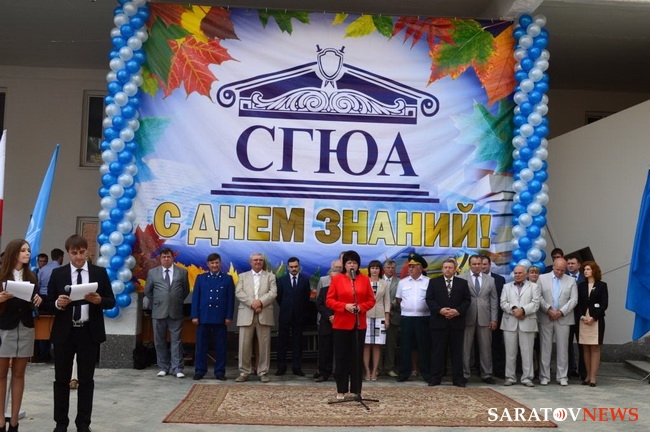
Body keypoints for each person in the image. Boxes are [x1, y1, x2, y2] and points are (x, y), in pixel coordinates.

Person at [44, 234, 115, 432]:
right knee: (61, 380)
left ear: (87, 251)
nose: (78, 257)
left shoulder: (99, 273)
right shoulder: (58, 273)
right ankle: (61, 423)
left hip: (88, 332)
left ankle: (83, 424)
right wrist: (58, 303)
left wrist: (99, 300)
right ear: (68, 253)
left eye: (81, 252)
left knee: (86, 380)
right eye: (74, 253)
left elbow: (111, 301)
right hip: (65, 333)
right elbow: (47, 304)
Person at [0, 239, 43, 432]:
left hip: (25, 327)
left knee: (19, 374)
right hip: (4, 327)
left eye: (28, 250)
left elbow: (34, 301)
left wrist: (38, 299)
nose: (27, 253)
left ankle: (14, 421)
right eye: (23, 250)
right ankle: (1, 420)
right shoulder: (1, 275)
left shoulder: (32, 277)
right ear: (13, 253)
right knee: (1, 374)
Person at [326, 250, 375, 399]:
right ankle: (341, 389)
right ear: (344, 265)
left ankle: (356, 390)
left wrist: (361, 307)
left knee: (356, 357)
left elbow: (371, 300)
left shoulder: (364, 280)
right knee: (341, 357)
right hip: (341, 324)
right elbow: (329, 300)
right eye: (349, 262)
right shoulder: (337, 279)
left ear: (358, 265)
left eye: (354, 262)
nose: (352, 265)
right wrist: (344, 306)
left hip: (358, 324)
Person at [144, 247, 190, 379]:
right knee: (159, 341)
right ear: (160, 259)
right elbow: (148, 291)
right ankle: (163, 367)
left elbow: (185, 290)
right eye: (163, 257)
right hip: (158, 311)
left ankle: (177, 368)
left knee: (176, 341)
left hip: (176, 311)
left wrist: (175, 300)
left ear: (172, 258)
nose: (166, 259)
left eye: (168, 257)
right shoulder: (153, 273)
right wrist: (158, 301)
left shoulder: (182, 272)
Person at [426, 258, 471, 387]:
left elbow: (467, 300)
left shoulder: (462, 283)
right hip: (439, 322)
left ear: (455, 269)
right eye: (445, 267)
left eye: (450, 267)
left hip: (456, 323)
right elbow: (429, 299)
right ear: (442, 269)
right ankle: (435, 378)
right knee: (437, 352)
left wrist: (457, 311)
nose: (447, 270)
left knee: (457, 352)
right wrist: (440, 310)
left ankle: (458, 379)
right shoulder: (434, 282)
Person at [190, 253, 234, 381]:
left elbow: (230, 300)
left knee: (221, 346)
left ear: (220, 263)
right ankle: (200, 370)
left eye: (216, 262)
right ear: (208, 264)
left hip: (220, 317)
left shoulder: (227, 279)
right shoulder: (201, 278)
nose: (214, 265)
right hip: (204, 316)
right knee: (201, 346)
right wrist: (194, 315)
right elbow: (196, 298)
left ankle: (220, 372)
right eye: (212, 263)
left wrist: (229, 316)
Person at [235, 252, 277, 383]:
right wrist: (252, 303)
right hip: (246, 314)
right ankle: (244, 372)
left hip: (264, 314)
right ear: (250, 262)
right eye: (255, 260)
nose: (258, 262)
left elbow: (273, 293)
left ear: (263, 262)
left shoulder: (270, 276)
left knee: (264, 346)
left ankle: (263, 372)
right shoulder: (243, 276)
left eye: (260, 260)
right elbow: (239, 292)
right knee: (244, 345)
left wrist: (260, 302)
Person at [537, 257, 578, 386]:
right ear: (553, 267)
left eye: (562, 270)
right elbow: (538, 296)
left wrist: (560, 312)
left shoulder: (571, 280)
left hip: (564, 318)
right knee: (545, 348)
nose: (560, 272)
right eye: (557, 269)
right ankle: (544, 376)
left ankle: (562, 376)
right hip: (546, 316)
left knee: (563, 348)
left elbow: (573, 300)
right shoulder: (542, 278)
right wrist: (548, 309)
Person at [459, 255, 498, 384]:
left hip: (485, 318)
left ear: (482, 265)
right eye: (474, 264)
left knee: (486, 347)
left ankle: (486, 374)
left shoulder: (490, 280)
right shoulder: (461, 278)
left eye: (479, 264)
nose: (477, 266)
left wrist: (494, 319)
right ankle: (464, 374)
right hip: (467, 317)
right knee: (465, 348)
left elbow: (494, 301)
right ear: (470, 265)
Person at [500, 265, 541, 387]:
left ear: (526, 274)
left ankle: (527, 378)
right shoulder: (506, 286)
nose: (517, 275)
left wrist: (522, 310)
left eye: (520, 273)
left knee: (527, 352)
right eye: (515, 273)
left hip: (527, 322)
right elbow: (503, 303)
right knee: (510, 353)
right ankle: (510, 377)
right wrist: (514, 310)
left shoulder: (534, 286)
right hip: (510, 322)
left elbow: (536, 303)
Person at [395, 253, 431, 383]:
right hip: (407, 318)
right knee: (406, 347)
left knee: (424, 347)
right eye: (409, 266)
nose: (410, 269)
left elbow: (431, 299)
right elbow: (399, 299)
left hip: (423, 318)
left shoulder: (428, 282)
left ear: (420, 268)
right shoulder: (402, 283)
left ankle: (426, 374)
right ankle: (404, 374)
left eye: (413, 267)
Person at [275, 257, 311, 376]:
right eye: (291, 267)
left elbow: (306, 299)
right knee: (282, 341)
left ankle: (297, 367)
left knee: (298, 342)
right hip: (285, 315)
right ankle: (281, 367)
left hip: (299, 316)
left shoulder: (305, 281)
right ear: (288, 267)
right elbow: (279, 297)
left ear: (299, 266)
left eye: (295, 266)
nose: (294, 269)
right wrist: (287, 307)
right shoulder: (281, 280)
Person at [576, 261, 608, 387]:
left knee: (595, 347)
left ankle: (594, 377)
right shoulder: (581, 286)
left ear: (594, 270)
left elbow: (604, 304)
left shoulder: (602, 285)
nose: (585, 271)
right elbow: (578, 304)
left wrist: (594, 317)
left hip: (596, 320)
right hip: (584, 319)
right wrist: (582, 316)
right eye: (584, 269)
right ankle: (588, 375)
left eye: (588, 269)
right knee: (585, 347)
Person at [314, 260, 342, 382]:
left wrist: (336, 316)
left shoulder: (345, 291)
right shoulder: (324, 290)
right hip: (326, 323)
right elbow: (319, 304)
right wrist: (330, 316)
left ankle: (339, 373)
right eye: (331, 278)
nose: (332, 280)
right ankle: (324, 373)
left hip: (341, 323)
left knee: (340, 350)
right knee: (325, 349)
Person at [363, 260, 390, 381]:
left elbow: (387, 301)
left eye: (377, 268)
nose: (374, 270)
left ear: (380, 270)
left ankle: (374, 371)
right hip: (366, 315)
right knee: (366, 344)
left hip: (380, 316)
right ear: (369, 269)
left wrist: (387, 317)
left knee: (377, 345)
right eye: (372, 268)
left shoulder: (384, 283)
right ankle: (367, 371)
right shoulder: (364, 281)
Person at [35, 248, 64, 363]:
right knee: (56, 325)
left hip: (42, 299)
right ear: (60, 257)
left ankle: (44, 354)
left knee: (42, 324)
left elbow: (38, 285)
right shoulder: (60, 270)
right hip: (56, 299)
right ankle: (57, 353)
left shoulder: (42, 270)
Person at [482, 255, 506, 379]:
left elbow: (501, 299)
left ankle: (498, 370)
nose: (482, 266)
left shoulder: (499, 279)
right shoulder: (474, 279)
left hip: (496, 318)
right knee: (480, 345)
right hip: (480, 317)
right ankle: (481, 370)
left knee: (497, 344)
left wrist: (495, 318)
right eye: (480, 264)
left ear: (490, 265)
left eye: (485, 264)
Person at [566, 256, 586, 380]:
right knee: (566, 344)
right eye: (568, 263)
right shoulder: (563, 278)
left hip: (581, 316)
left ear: (579, 265)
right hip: (567, 315)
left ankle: (583, 372)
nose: (570, 265)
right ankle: (569, 370)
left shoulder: (585, 278)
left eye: (573, 263)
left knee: (582, 345)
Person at [381, 259, 400, 378]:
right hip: (377, 315)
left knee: (390, 344)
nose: (390, 270)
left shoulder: (399, 282)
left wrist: (390, 306)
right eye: (388, 267)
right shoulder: (377, 280)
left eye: (392, 268)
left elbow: (400, 297)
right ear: (384, 269)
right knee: (377, 344)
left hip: (393, 315)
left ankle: (389, 368)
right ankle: (377, 368)